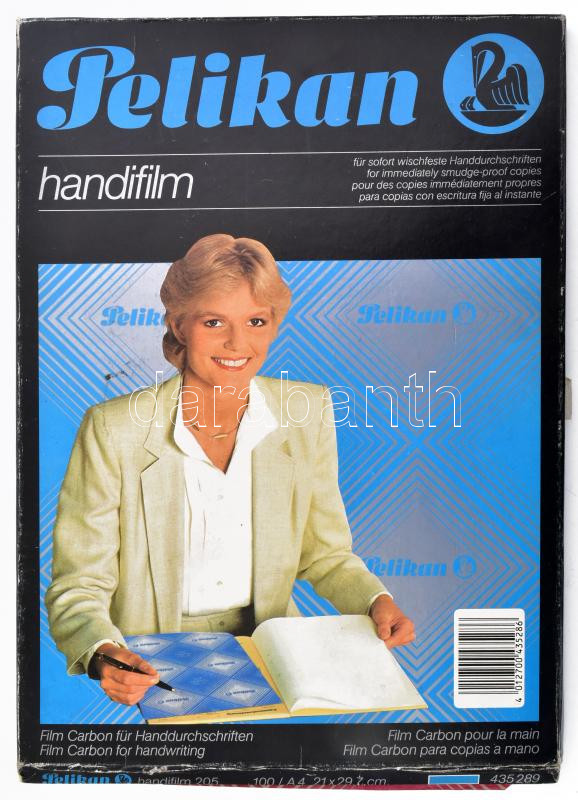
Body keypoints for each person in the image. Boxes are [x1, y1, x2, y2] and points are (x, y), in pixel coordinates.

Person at [46, 234, 415, 706]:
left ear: (274, 326)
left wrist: (375, 600)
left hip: (276, 649)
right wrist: (102, 652)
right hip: (154, 658)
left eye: (256, 321)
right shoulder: (114, 428)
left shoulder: (307, 412)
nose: (238, 343)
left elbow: (325, 553)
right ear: (179, 325)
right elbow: (79, 583)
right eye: (214, 321)